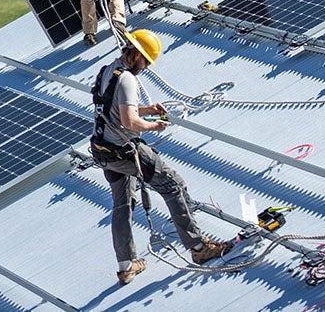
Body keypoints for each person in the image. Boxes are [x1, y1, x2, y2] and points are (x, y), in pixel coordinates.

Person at [91, 29, 233, 285]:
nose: (145, 67)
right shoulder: (128, 80)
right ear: (136, 55)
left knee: (122, 206)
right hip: (125, 150)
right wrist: (153, 125)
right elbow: (129, 121)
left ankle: (126, 265)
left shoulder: (107, 70)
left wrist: (147, 109)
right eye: (145, 61)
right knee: (172, 184)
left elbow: (114, 107)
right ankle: (199, 248)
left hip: (104, 151)